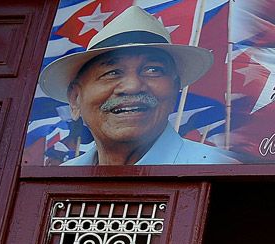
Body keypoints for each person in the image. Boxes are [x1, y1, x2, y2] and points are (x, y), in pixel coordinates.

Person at [38, 5, 236, 166]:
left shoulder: (220, 172)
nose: (132, 86)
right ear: (75, 99)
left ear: (176, 89)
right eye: (112, 73)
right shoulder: (60, 181)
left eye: (153, 70)